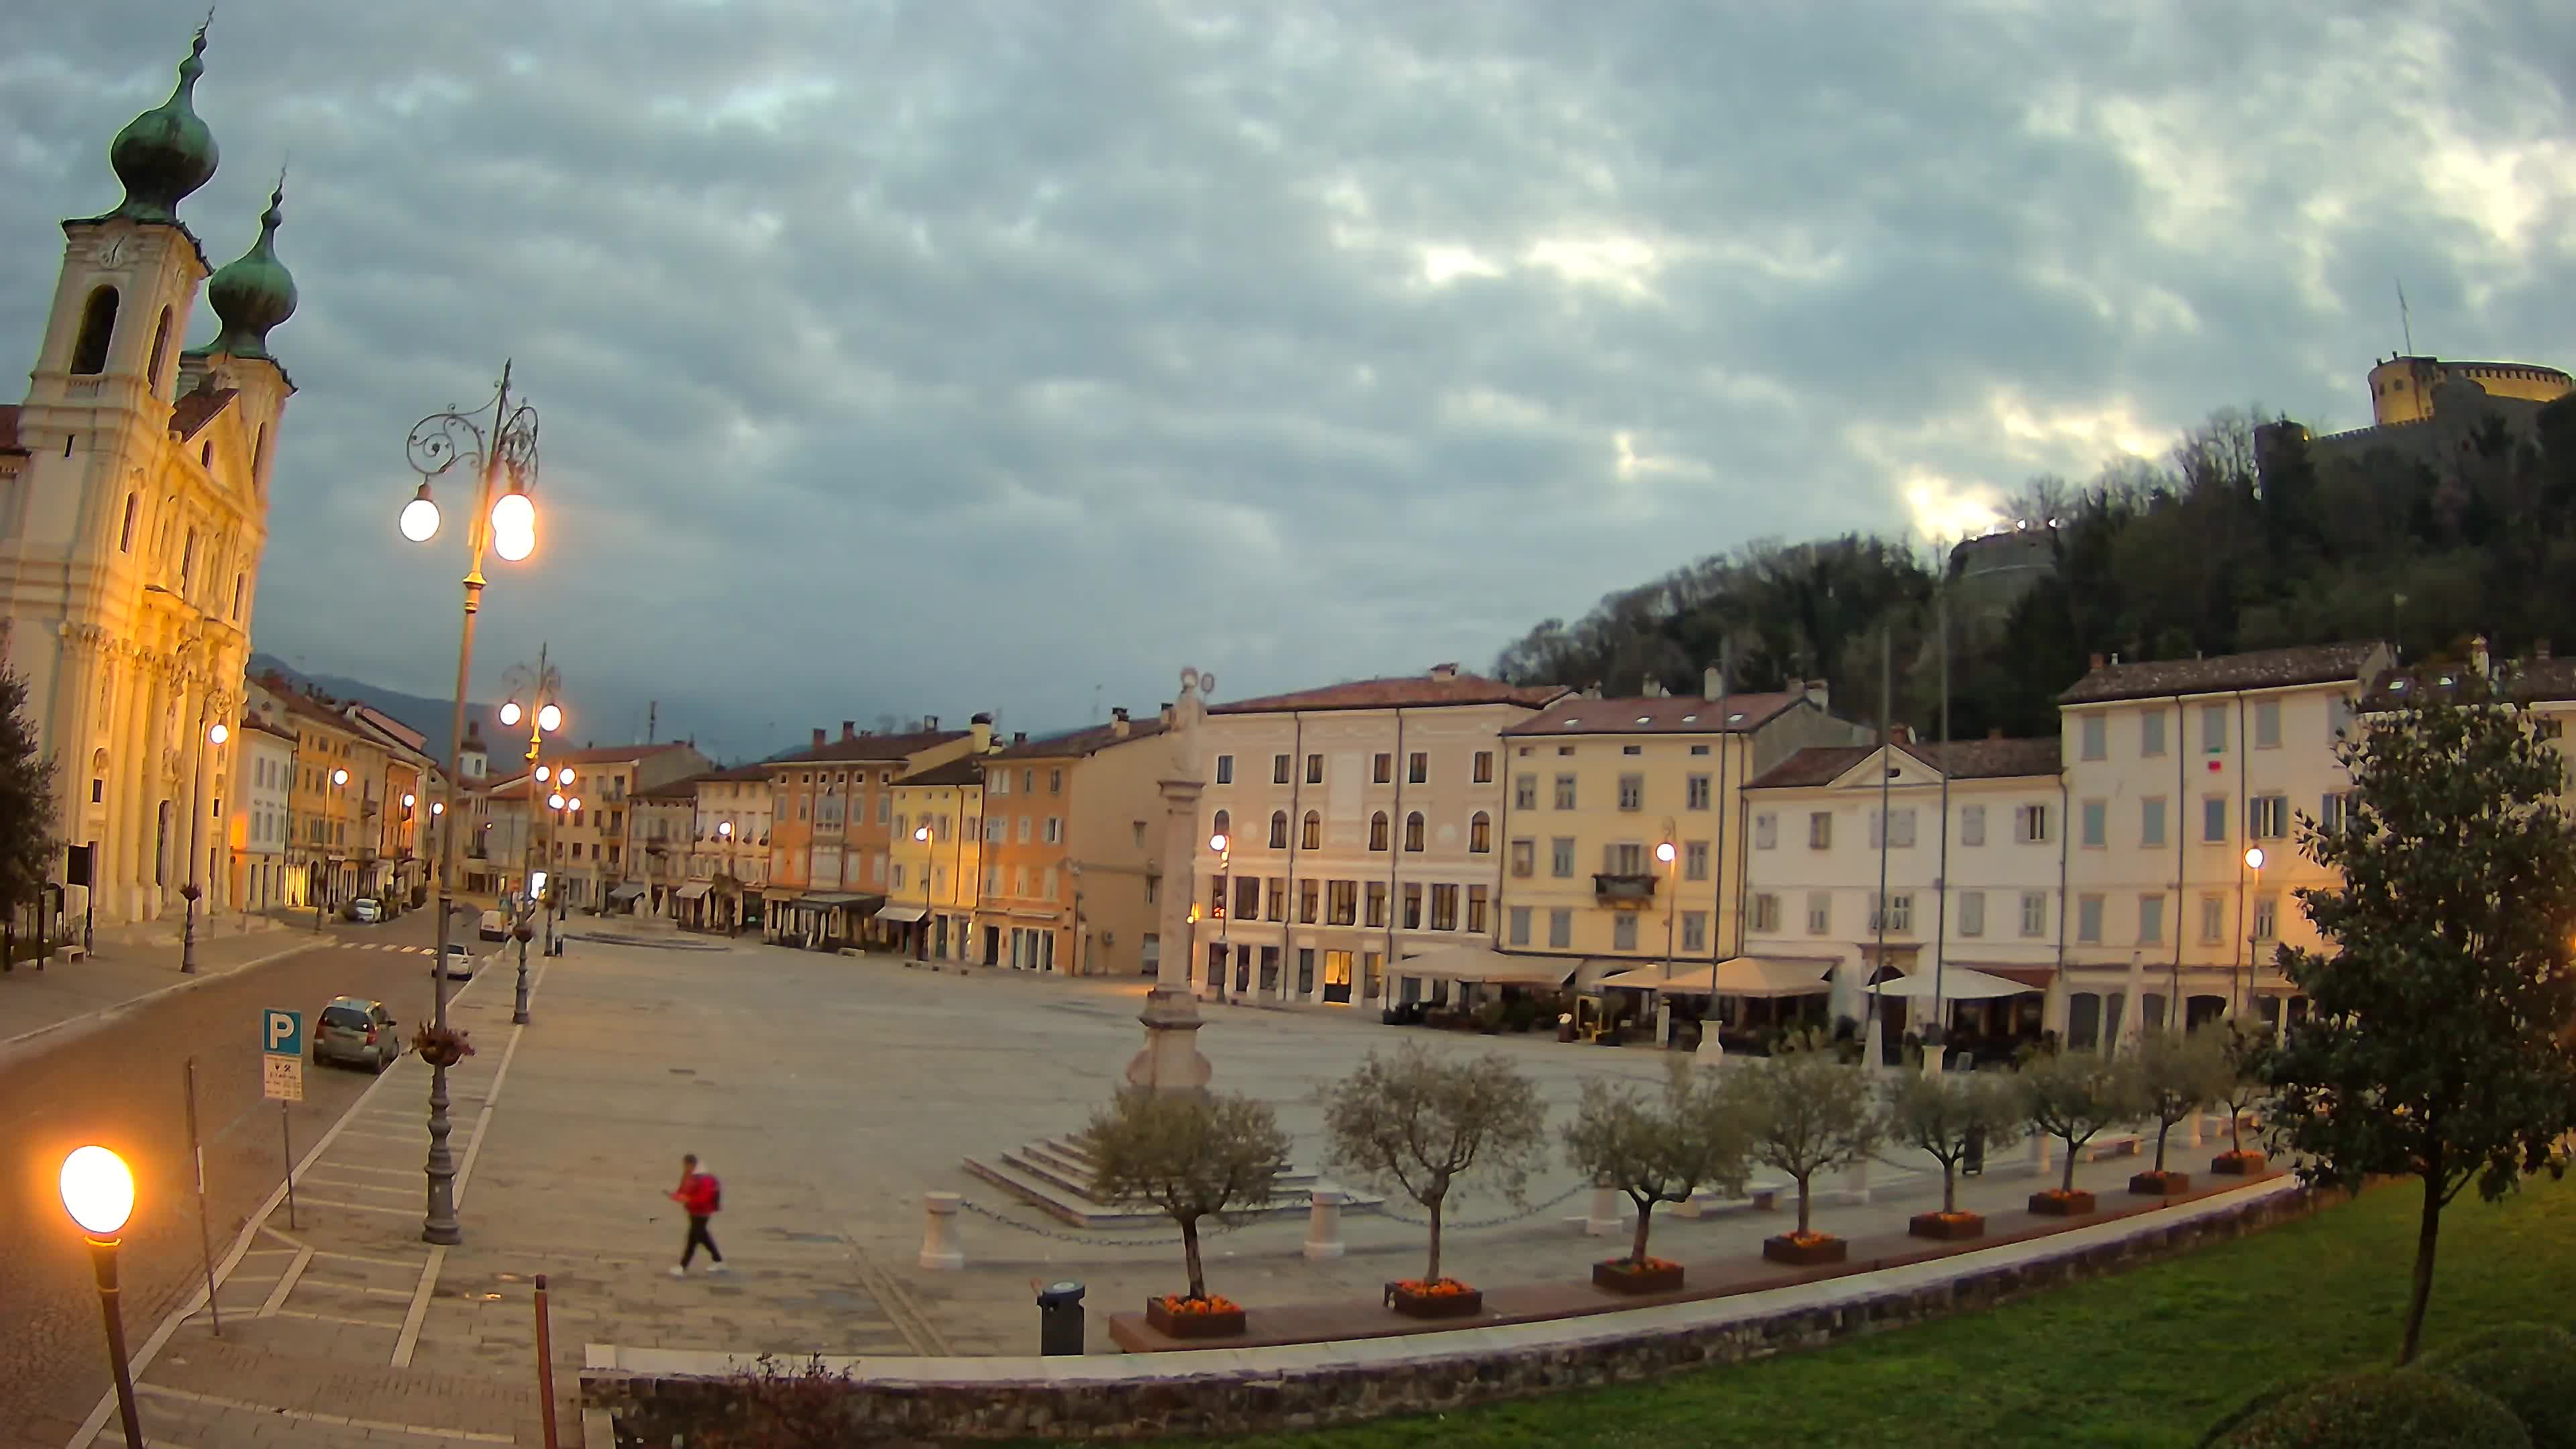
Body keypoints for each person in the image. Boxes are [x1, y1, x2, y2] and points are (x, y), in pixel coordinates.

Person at [667, 1154, 724, 1277]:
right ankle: (718, 1261)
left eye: (686, 1165)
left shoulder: (705, 1179)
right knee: (702, 1236)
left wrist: (687, 1199)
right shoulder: (691, 1176)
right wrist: (676, 1196)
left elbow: (703, 1198)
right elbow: (683, 1191)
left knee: (693, 1239)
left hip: (702, 1212)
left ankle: (683, 1267)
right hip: (694, 1211)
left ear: (692, 1164)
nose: (684, 1168)